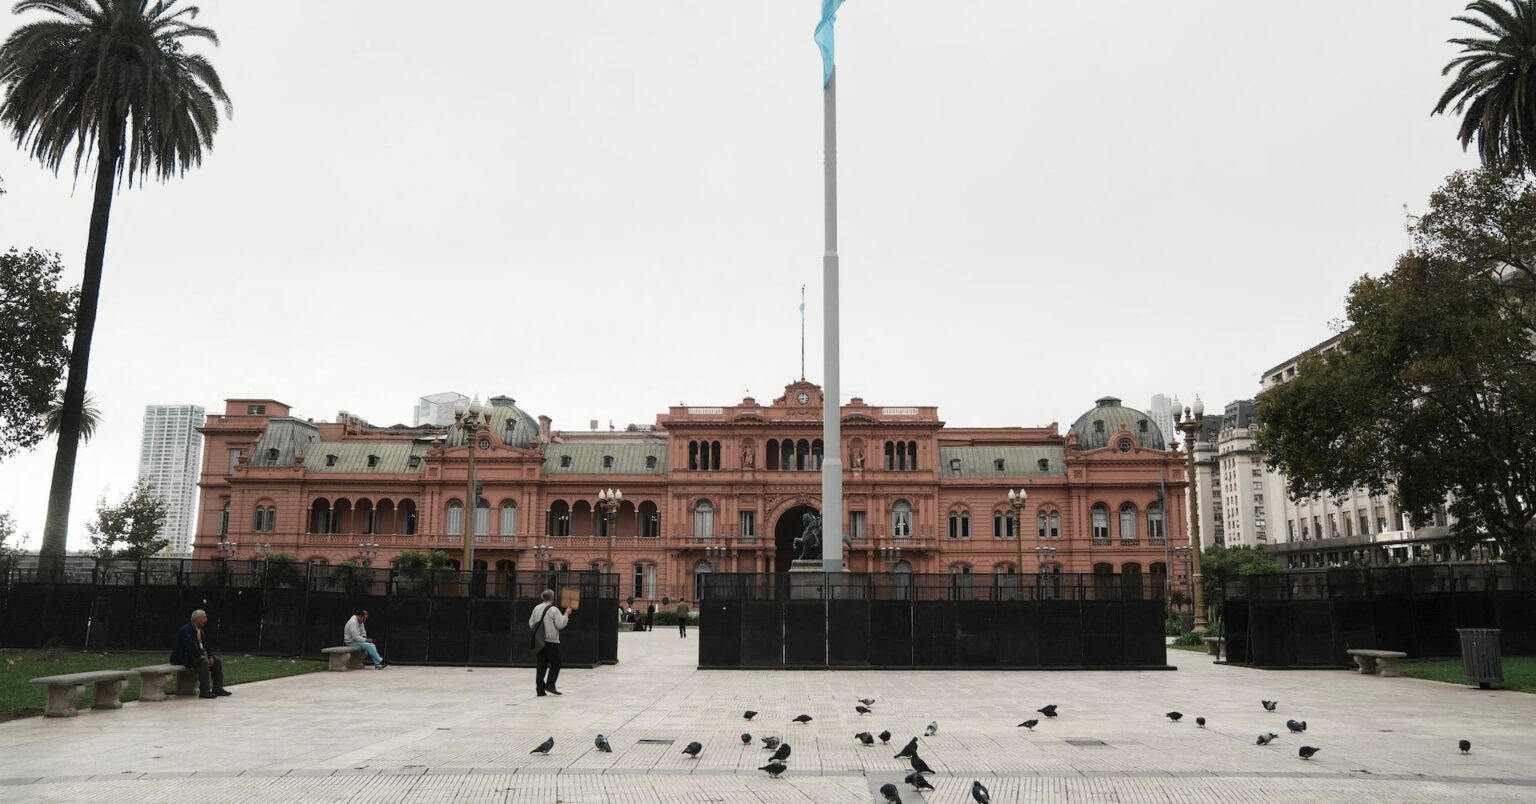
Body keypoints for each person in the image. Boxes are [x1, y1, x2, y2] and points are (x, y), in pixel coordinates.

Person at [171, 609, 230, 699]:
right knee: (203, 662)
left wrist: (211, 656)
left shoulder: (200, 631)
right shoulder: (186, 630)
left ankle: (218, 688)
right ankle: (205, 691)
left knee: (217, 661)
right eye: (204, 617)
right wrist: (200, 656)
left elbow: (205, 645)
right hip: (183, 657)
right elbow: (189, 646)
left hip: (193, 656)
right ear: (197, 618)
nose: (206, 619)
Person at [529, 589, 570, 696]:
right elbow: (560, 624)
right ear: (552, 598)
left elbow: (531, 623)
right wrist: (566, 614)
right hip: (551, 641)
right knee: (556, 662)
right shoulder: (554, 610)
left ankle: (540, 689)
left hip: (540, 641)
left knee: (541, 664)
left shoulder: (536, 608)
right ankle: (550, 685)